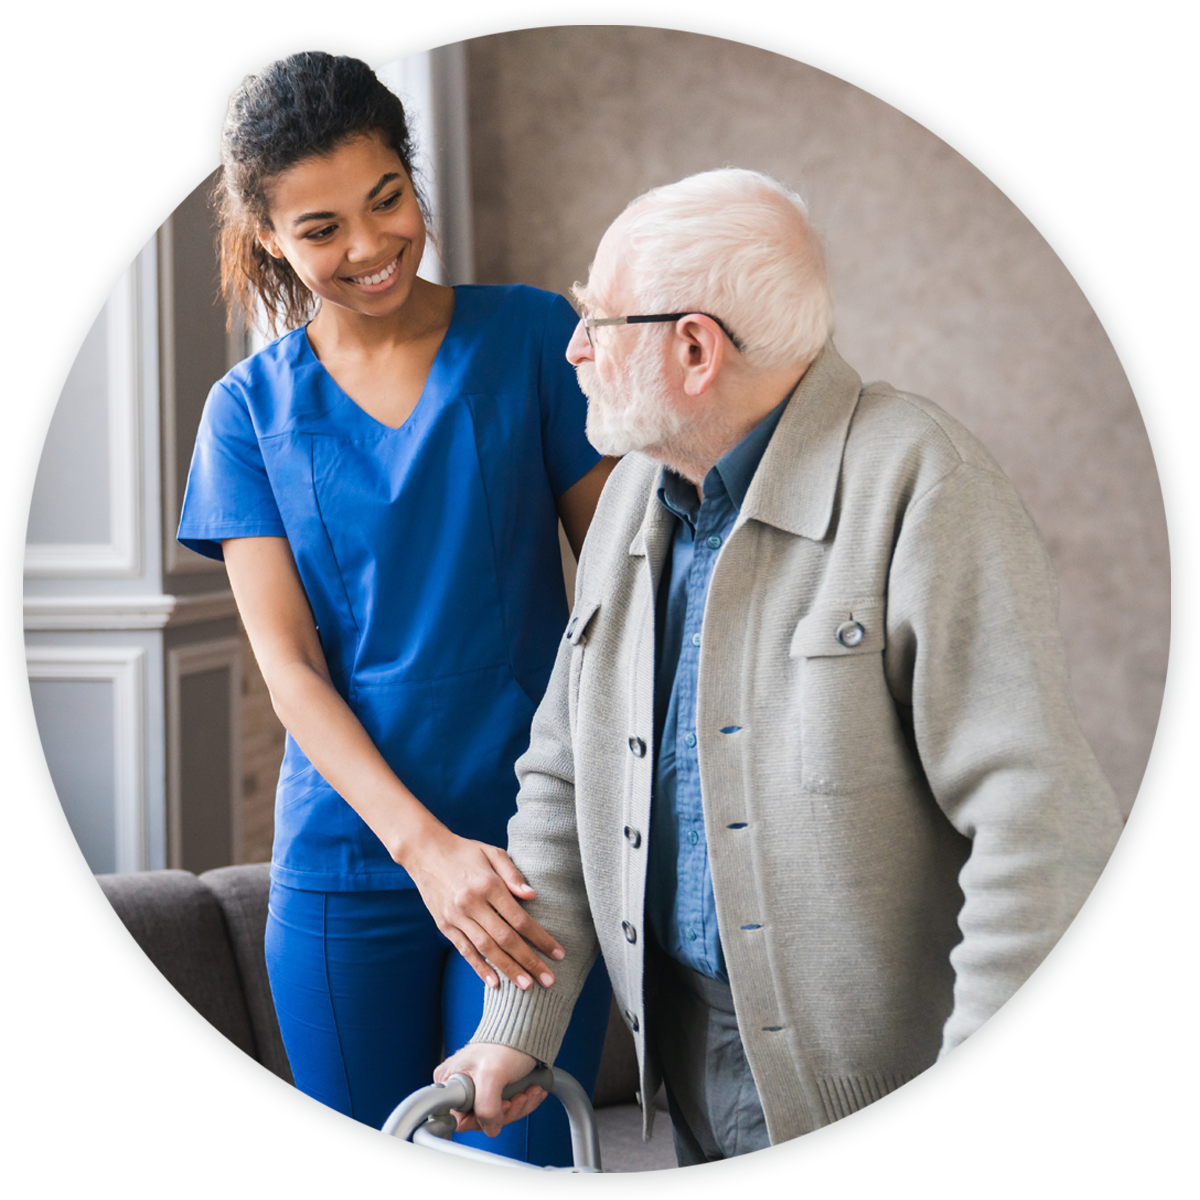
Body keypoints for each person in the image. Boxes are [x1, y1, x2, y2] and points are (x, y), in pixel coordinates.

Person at [434, 168, 1125, 1171]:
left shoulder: (922, 484)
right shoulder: (633, 496)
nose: (575, 347)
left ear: (696, 348)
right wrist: (516, 1022)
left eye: (600, 319)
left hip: (884, 1116)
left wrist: (971, 1116)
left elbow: (1048, 828)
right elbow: (566, 776)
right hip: (688, 1059)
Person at [176, 50, 615, 1173]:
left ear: (413, 179)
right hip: (347, 858)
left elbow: (621, 600)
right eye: (321, 229)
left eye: (387, 200)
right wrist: (424, 853)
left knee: (522, 1163)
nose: (370, 248)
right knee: (353, 1173)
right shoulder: (245, 413)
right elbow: (289, 671)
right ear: (268, 237)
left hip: (531, 853)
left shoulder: (531, 342)